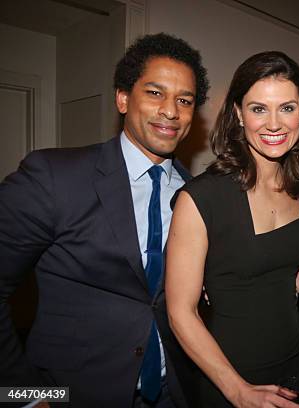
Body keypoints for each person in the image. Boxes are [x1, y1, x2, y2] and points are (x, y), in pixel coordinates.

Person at [0, 33, 210, 407]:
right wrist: (27, 398)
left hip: (173, 395)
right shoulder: (53, 176)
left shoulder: (197, 195)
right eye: (155, 93)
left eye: (185, 100)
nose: (171, 111)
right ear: (123, 98)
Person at [165, 51, 299, 408]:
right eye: (258, 109)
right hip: (230, 377)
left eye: (286, 108)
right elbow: (180, 312)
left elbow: (288, 277)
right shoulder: (202, 198)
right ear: (238, 113)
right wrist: (237, 389)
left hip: (292, 366)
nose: (274, 124)